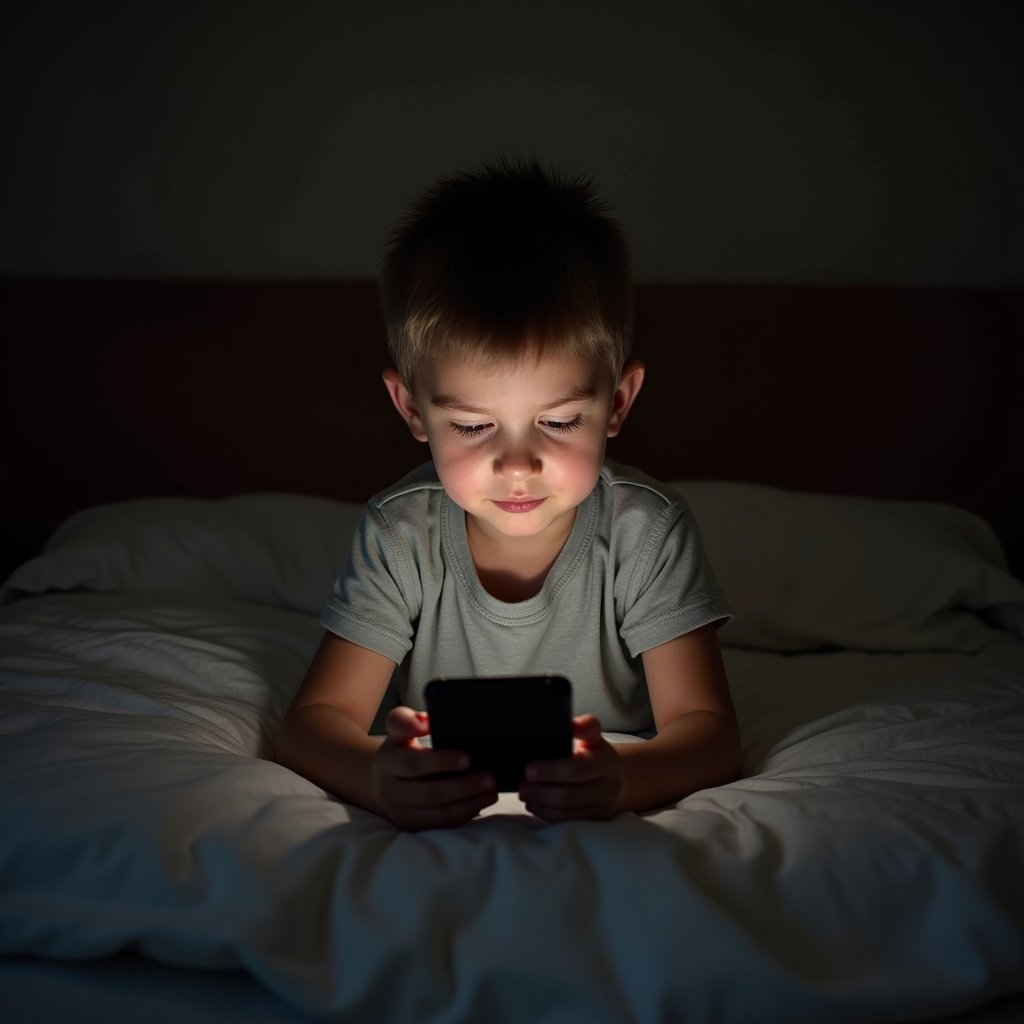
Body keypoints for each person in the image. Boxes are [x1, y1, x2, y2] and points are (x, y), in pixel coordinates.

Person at [276, 158, 740, 830]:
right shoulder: (401, 532)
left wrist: (623, 780)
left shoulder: (646, 529)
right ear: (411, 411)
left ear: (618, 402)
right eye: (471, 426)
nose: (516, 465)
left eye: (557, 422)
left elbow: (708, 732)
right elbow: (312, 726)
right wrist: (376, 779)